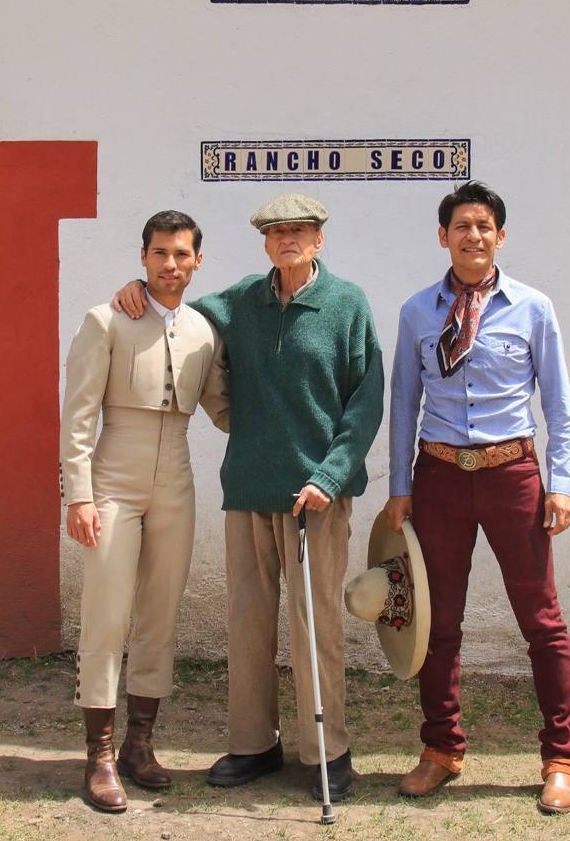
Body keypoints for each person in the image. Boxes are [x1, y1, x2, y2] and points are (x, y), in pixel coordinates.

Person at [113, 193, 384, 802]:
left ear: (318, 240)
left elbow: (367, 400)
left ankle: (328, 751)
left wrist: (331, 476)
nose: (288, 239)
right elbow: (176, 306)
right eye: (277, 231)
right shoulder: (239, 301)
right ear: (265, 242)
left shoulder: (347, 303)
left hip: (317, 496)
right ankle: (253, 743)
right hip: (249, 487)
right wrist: (139, 287)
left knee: (316, 624)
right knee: (248, 623)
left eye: (300, 231)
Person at [385, 180, 570, 813]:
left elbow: (558, 405)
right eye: (462, 226)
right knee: (438, 622)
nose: (474, 235)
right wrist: (400, 487)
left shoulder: (533, 308)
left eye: (484, 226)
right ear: (443, 236)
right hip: (440, 478)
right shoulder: (418, 311)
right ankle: (440, 749)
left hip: (511, 476)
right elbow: (404, 403)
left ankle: (562, 758)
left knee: (541, 621)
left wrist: (561, 484)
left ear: (501, 236)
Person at [61, 211, 230, 814]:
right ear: (143, 257)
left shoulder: (205, 332)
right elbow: (79, 414)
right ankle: (99, 754)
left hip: (175, 479)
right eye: (160, 253)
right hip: (113, 477)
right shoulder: (106, 320)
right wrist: (78, 495)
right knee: (106, 613)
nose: (170, 264)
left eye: (182, 254)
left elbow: (223, 409)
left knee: (160, 611)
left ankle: (139, 743)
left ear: (197, 261)